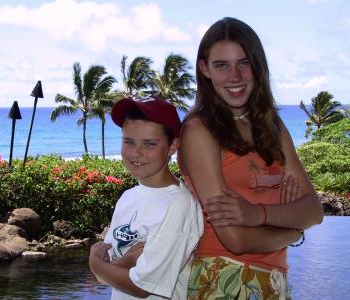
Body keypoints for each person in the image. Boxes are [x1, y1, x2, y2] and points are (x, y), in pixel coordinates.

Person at [178, 17, 324, 300]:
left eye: (244, 63)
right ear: (204, 69)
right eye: (222, 65)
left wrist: (258, 215)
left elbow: (314, 210)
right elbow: (236, 239)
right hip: (223, 277)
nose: (235, 76)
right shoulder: (200, 131)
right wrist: (293, 231)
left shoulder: (272, 126)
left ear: (258, 66)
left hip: (275, 280)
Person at [89, 95, 204, 299]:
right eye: (129, 142)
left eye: (149, 144)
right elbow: (105, 277)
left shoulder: (178, 204)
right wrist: (122, 264)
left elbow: (142, 287)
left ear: (172, 146)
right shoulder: (128, 197)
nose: (136, 153)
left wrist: (95, 264)